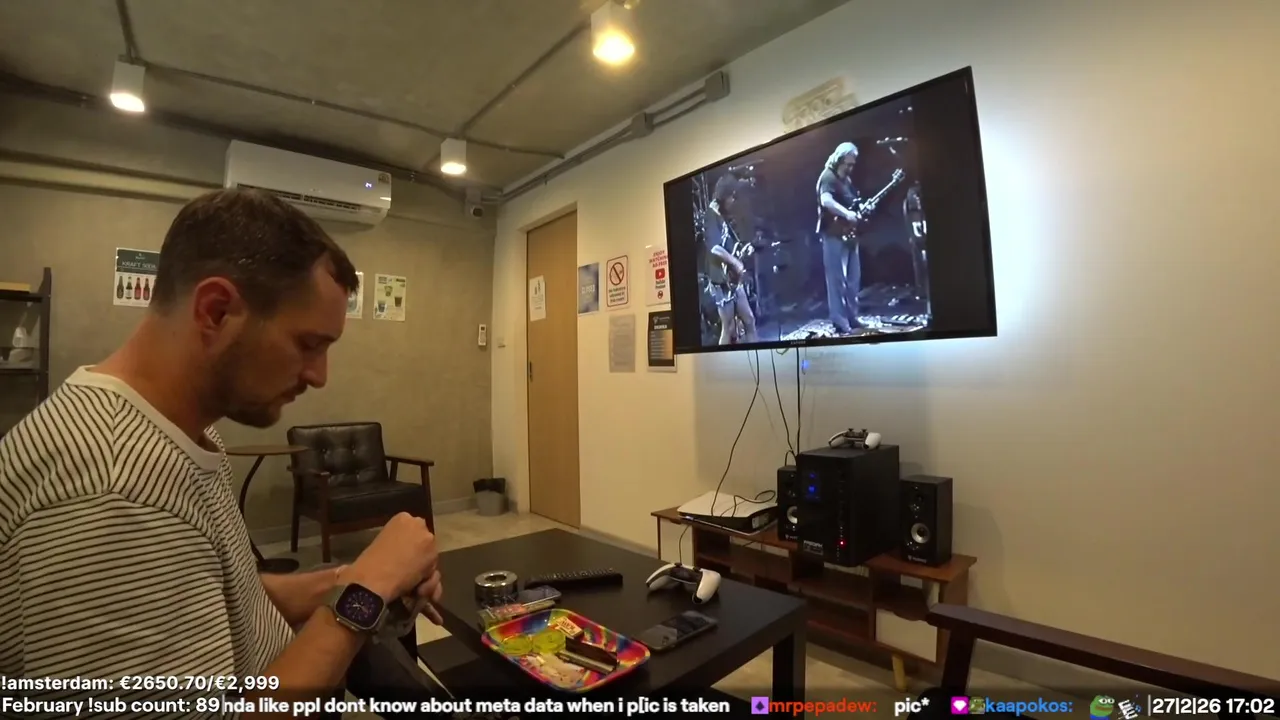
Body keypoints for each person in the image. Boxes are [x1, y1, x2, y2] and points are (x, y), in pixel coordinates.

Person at [0, 189, 443, 716]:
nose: (319, 376)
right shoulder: (116, 494)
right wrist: (365, 593)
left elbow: (222, 600)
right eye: (308, 344)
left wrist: (344, 580)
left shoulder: (176, 436)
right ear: (216, 311)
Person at [815, 142, 874, 334]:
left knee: (853, 280)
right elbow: (826, 201)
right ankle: (840, 321)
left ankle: (852, 317)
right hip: (833, 235)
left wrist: (861, 208)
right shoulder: (828, 177)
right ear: (839, 160)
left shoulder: (846, 180)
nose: (850, 168)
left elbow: (852, 201)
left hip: (849, 236)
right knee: (837, 281)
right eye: (847, 164)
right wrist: (847, 214)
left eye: (852, 165)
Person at [702, 173, 759, 345]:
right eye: (731, 196)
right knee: (728, 328)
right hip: (721, 282)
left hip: (732, 280)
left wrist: (742, 252)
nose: (733, 200)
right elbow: (715, 248)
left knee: (749, 320)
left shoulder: (722, 216)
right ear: (724, 196)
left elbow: (728, 246)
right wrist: (735, 262)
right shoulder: (710, 216)